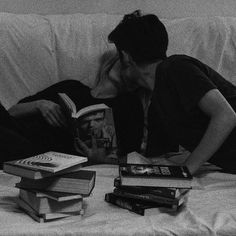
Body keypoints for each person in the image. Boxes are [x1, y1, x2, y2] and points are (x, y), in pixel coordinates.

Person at [108, 10, 236, 175]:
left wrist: (186, 171)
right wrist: (104, 160)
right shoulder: (157, 102)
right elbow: (154, 160)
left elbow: (226, 115)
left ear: (125, 57)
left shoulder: (175, 67)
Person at [0, 78, 144, 165]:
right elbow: (11, 112)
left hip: (42, 153)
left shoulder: (127, 105)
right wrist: (40, 105)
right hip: (19, 129)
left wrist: (100, 160)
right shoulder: (71, 86)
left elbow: (129, 157)